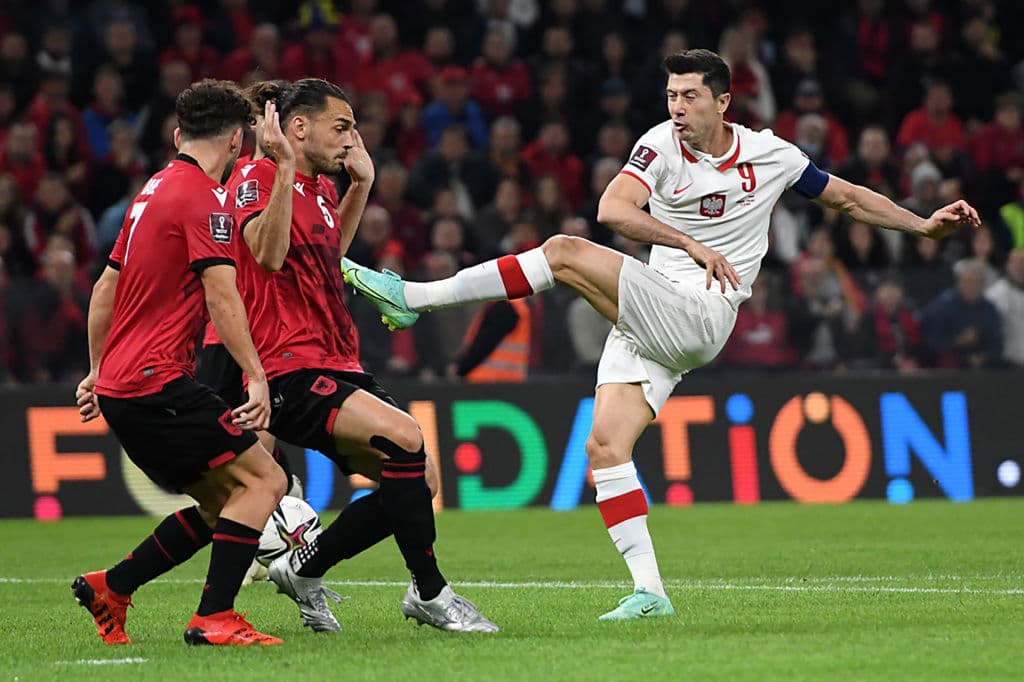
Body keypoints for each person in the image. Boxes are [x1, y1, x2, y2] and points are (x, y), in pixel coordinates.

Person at [342, 49, 980, 620]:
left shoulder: (772, 154)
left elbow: (848, 199)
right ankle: (651, 592)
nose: (677, 108)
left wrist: (922, 227)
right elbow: (613, 209)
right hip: (654, 310)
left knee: (563, 252)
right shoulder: (660, 145)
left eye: (691, 96)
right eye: (671, 96)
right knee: (604, 449)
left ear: (724, 102)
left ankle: (413, 297)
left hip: (703, 316)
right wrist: (687, 243)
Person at [229, 78, 497, 633]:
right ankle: (431, 592)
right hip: (289, 367)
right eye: (342, 126)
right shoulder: (256, 178)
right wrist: (280, 169)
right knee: (406, 438)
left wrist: (361, 187)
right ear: (298, 128)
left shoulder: (322, 189)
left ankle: (305, 569)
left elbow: (328, 255)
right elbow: (268, 255)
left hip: (338, 359)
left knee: (420, 481)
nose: (352, 140)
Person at [72, 79, 286, 646]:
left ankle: (112, 588)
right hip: (156, 383)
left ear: (177, 135)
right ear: (239, 142)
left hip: (124, 386)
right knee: (268, 478)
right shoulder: (203, 198)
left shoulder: (151, 191)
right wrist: (257, 376)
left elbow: (104, 289)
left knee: (222, 504)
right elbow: (223, 294)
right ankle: (214, 616)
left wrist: (98, 369)